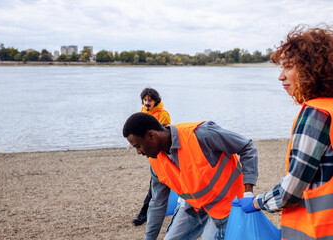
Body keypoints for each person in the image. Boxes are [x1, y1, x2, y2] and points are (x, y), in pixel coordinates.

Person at [238, 25, 333, 240]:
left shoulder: (315, 115)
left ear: (313, 68)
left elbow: (290, 191)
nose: (281, 76)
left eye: (288, 67)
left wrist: (255, 202)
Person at [123, 112, 259, 240]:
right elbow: (158, 203)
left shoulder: (202, 134)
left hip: (227, 205)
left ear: (151, 136)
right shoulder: (155, 162)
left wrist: (248, 193)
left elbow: (247, 147)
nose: (138, 152)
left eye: (138, 146)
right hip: (195, 206)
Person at [133, 88, 171, 226]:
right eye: (145, 100)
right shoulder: (142, 112)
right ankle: (147, 212)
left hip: (160, 153)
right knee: (155, 184)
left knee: (154, 184)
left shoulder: (163, 114)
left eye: (149, 100)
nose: (147, 102)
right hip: (150, 153)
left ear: (155, 100)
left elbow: (165, 133)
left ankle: (143, 213)